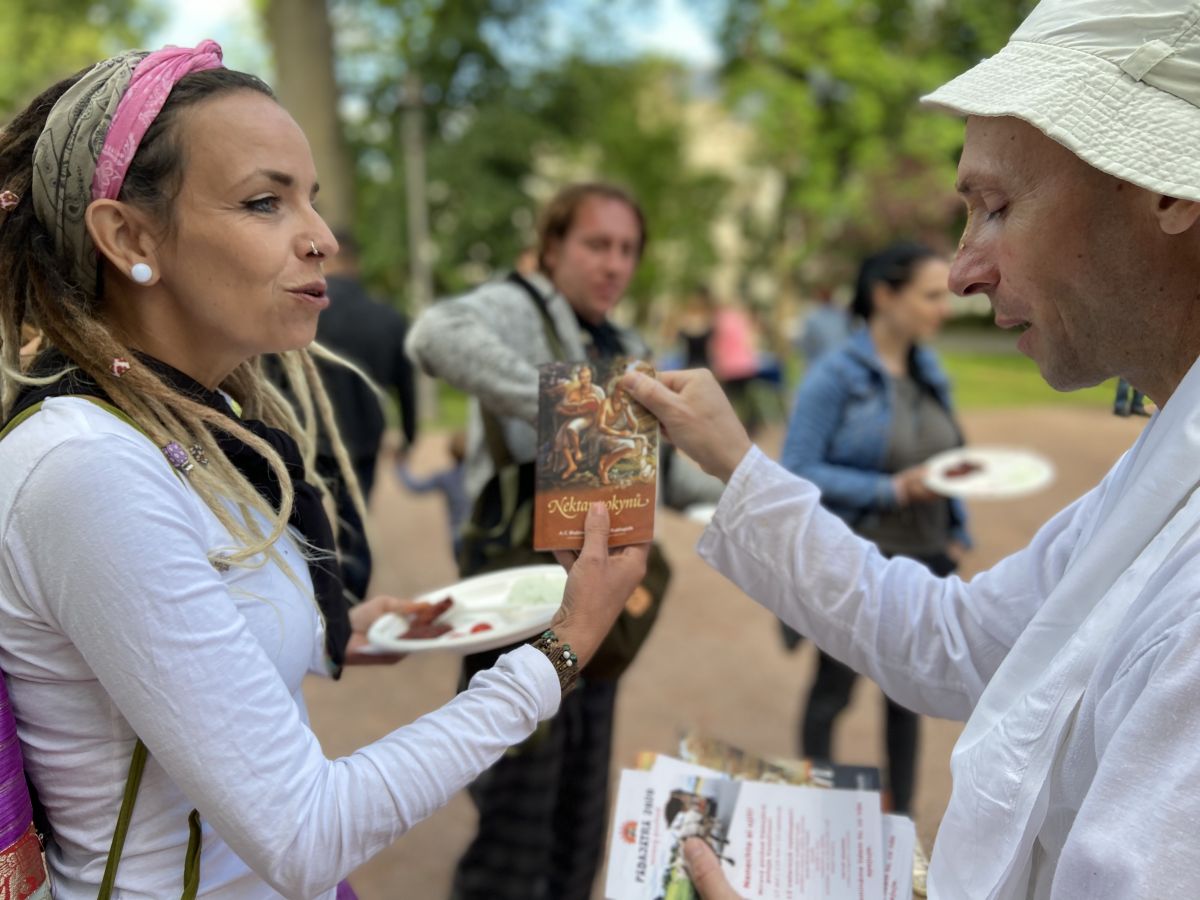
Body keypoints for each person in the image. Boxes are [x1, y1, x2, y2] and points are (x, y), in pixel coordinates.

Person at [0, 42, 647, 898]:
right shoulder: (88, 470)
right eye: (265, 202)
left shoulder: (185, 427)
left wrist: (343, 630)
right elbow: (305, 832)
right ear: (129, 236)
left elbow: (184, 643)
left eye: (312, 200)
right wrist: (560, 651)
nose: (323, 240)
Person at [623, 2, 1200, 896]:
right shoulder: (1163, 472)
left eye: (997, 207)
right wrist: (738, 465)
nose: (963, 272)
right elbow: (955, 637)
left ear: (1166, 186)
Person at [406, 181, 672, 900]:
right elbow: (432, 336)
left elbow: (664, 476)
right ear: (553, 248)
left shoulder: (627, 345)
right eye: (596, 244)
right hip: (519, 602)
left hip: (601, 610)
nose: (614, 265)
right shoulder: (516, 306)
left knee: (580, 819)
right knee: (515, 815)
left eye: (627, 250)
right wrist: (576, 410)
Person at [780, 241, 969, 820]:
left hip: (924, 559)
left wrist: (957, 527)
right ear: (885, 295)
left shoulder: (929, 370)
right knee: (833, 692)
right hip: (858, 560)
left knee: (907, 698)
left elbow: (951, 456)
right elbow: (797, 469)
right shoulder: (833, 376)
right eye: (931, 295)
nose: (944, 308)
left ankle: (899, 823)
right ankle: (817, 811)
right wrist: (890, 491)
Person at [394, 430, 469, 560]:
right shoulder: (480, 475)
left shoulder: (445, 477)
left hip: (457, 534)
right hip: (480, 532)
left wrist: (400, 465)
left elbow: (415, 486)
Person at [796, 286, 852, 366]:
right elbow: (807, 344)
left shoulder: (841, 315)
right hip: (823, 363)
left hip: (836, 362)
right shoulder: (813, 318)